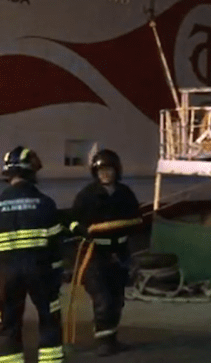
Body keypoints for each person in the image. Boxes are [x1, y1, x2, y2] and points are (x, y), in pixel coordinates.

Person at [68, 149, 144, 357]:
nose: (105, 174)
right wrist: (80, 230)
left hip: (119, 253)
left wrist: (132, 226)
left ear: (116, 171)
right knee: (102, 298)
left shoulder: (125, 193)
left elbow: (136, 218)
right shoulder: (87, 195)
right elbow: (72, 221)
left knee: (117, 298)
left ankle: (111, 339)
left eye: (109, 170)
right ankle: (104, 342)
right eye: (101, 170)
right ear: (95, 172)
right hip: (94, 254)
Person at [0, 146, 65, 363]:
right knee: (49, 317)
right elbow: (55, 245)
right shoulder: (45, 203)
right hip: (41, 271)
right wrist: (57, 274)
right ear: (32, 171)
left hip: (6, 274)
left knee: (9, 321)